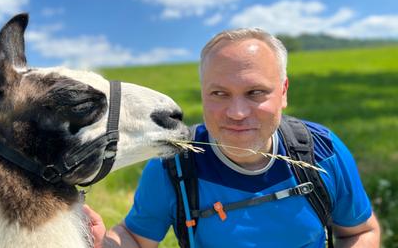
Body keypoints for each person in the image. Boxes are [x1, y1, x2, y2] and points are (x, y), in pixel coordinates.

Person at [83, 28, 381, 247]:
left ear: (283, 91)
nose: (237, 112)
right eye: (219, 94)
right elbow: (136, 237)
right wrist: (100, 244)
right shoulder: (174, 165)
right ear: (203, 94)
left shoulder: (322, 151)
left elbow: (359, 232)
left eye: (255, 93)